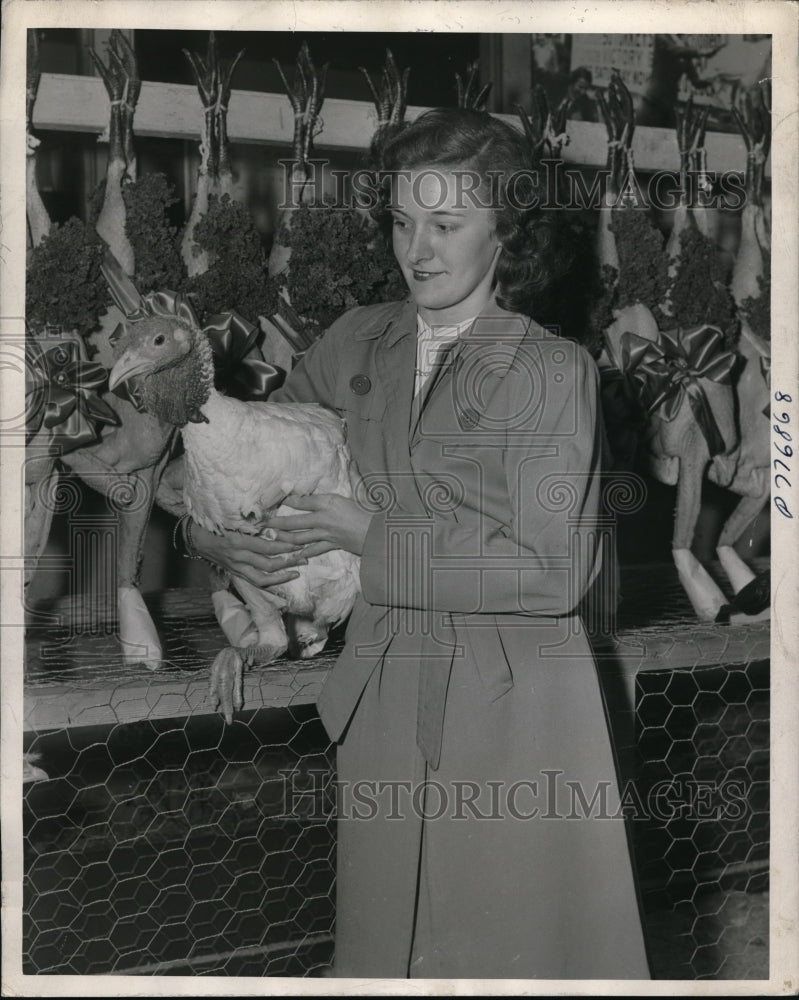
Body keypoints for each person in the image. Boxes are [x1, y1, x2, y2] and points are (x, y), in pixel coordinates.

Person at [188, 107, 652, 980]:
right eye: (403, 222)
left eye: (446, 224)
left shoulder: (554, 371)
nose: (417, 250)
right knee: (388, 952)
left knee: (507, 950)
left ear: (506, 232)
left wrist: (373, 536)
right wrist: (219, 546)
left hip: (513, 707)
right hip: (387, 696)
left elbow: (555, 571)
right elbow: (242, 460)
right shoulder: (359, 340)